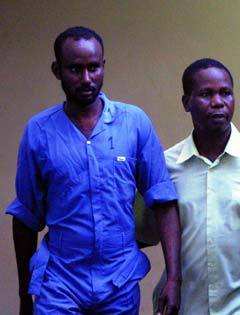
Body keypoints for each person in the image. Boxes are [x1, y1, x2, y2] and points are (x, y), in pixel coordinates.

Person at [6, 26, 181, 315]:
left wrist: (174, 278)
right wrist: (25, 296)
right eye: (75, 69)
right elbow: (26, 217)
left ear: (103, 66)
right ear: (57, 70)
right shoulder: (39, 131)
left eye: (94, 68)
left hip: (119, 282)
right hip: (60, 283)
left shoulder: (134, 122)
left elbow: (163, 200)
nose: (86, 78)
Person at [151, 58, 240, 314]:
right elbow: (146, 232)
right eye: (205, 94)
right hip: (186, 305)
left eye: (225, 93)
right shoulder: (166, 166)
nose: (218, 102)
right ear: (186, 102)